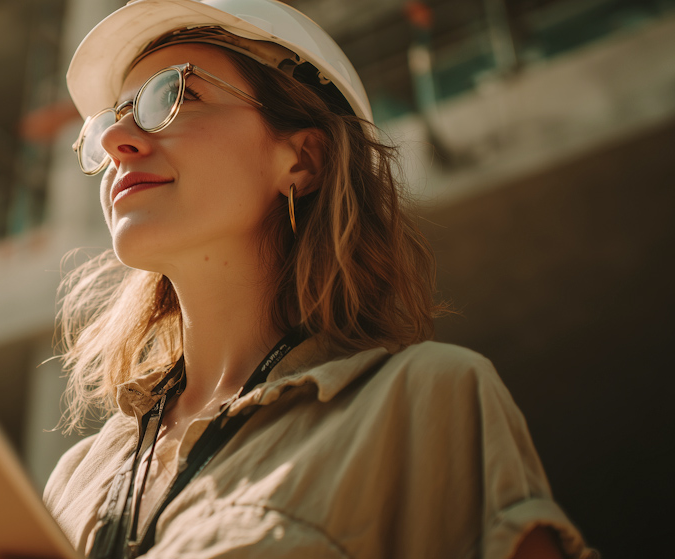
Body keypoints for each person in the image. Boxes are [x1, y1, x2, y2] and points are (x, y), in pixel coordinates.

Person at [44, 1, 597, 558]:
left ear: (303, 158)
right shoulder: (74, 477)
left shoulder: (424, 399)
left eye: (176, 95)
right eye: (111, 119)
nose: (118, 140)